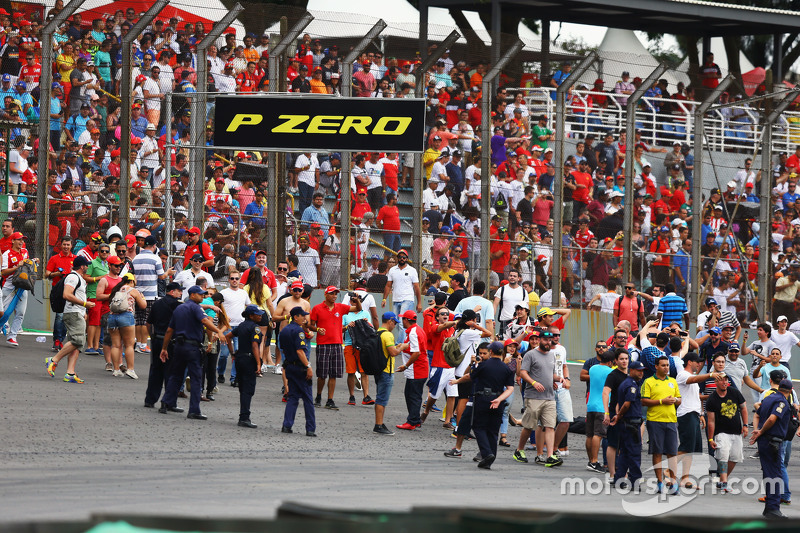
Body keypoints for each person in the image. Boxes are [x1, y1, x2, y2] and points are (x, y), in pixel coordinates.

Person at [157, 286, 227, 420]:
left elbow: (170, 330)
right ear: (192, 294)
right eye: (200, 294)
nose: (203, 296)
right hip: (192, 347)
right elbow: (205, 321)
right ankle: (194, 410)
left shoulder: (179, 308)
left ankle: (166, 402)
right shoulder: (196, 308)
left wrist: (164, 348)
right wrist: (218, 331)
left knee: (176, 375)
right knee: (196, 378)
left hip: (178, 346)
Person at [458, 340, 515, 469]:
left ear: (491, 352)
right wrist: (499, 399)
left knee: (479, 427)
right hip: (498, 399)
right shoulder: (507, 368)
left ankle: (487, 453)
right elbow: (510, 388)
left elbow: (471, 376)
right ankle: (490, 458)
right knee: (493, 431)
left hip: (483, 398)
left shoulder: (484, 365)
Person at [514, 331, 563, 467]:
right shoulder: (530, 354)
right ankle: (519, 450)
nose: (548, 342)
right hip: (533, 396)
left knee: (549, 426)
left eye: (550, 340)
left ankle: (550, 456)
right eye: (546, 340)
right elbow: (523, 372)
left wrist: (558, 379)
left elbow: (550, 373)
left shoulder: (552, 355)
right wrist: (534, 383)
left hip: (549, 396)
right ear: (540, 340)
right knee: (529, 426)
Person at [309, 285, 361, 410]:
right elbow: (310, 325)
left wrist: (357, 299)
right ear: (325, 295)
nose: (334, 296)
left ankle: (330, 399)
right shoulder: (317, 308)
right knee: (322, 374)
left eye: (336, 294)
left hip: (337, 344)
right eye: (332, 293)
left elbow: (358, 308)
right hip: (323, 344)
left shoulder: (340, 307)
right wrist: (317, 329)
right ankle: (318, 396)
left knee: (333, 374)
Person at [750, 379, 794, 519]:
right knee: (775, 474)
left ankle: (769, 507)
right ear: (791, 390)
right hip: (772, 441)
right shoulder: (782, 402)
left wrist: (757, 430)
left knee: (768, 473)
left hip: (764, 441)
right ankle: (773, 509)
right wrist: (761, 431)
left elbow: (757, 414)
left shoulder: (769, 398)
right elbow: (772, 419)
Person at [46, 256, 94, 383]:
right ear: (82, 266)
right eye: (86, 265)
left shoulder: (79, 278)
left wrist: (84, 311)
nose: (87, 267)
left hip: (78, 312)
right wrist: (84, 305)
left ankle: (70, 373)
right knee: (78, 340)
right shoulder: (73, 277)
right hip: (73, 313)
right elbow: (66, 294)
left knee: (77, 344)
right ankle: (53, 360)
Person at [641, 356, 682, 494]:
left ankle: (673, 481)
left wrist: (675, 400)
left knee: (672, 452)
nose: (666, 368)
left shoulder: (673, 381)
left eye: (667, 365)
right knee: (657, 452)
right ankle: (659, 482)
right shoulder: (649, 382)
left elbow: (679, 399)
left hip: (671, 420)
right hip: (655, 420)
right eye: (663, 365)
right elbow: (644, 401)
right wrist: (661, 401)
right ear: (656, 366)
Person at [222, 304, 265, 428]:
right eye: (258, 314)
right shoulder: (255, 328)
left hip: (240, 358)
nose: (260, 316)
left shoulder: (241, 326)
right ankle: (244, 417)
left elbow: (228, 336)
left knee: (242, 389)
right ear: (251, 316)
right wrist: (258, 363)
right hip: (249, 360)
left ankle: (244, 414)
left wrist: (232, 353)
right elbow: (254, 346)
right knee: (248, 389)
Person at [706, 373, 748, 493]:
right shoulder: (712, 399)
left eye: (726, 380)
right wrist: (710, 439)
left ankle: (722, 478)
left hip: (736, 431)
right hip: (721, 433)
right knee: (723, 457)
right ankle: (724, 482)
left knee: (735, 457)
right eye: (722, 380)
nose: (724, 382)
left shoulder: (734, 392)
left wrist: (745, 425)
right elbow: (711, 421)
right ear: (716, 382)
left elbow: (743, 408)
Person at [144, 282, 183, 407]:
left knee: (155, 370)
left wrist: (152, 336)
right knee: (171, 372)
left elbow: (148, 323)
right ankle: (169, 402)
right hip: (170, 341)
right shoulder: (177, 306)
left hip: (157, 339)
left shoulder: (157, 304)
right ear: (172, 292)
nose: (181, 293)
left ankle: (150, 400)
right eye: (179, 290)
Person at [280, 306, 317, 436]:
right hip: (300, 367)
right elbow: (300, 351)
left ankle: (287, 425)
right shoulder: (298, 331)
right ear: (296, 317)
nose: (304, 318)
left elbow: (283, 349)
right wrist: (308, 366)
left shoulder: (284, 331)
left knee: (293, 397)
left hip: (289, 365)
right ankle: (310, 428)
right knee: (307, 398)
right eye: (302, 315)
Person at [610, 360, 645, 489]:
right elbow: (627, 404)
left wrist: (619, 416)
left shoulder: (628, 383)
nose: (641, 373)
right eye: (639, 370)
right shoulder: (632, 385)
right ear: (632, 370)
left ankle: (619, 478)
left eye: (642, 370)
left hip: (626, 423)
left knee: (624, 452)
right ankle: (635, 481)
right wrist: (619, 416)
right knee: (635, 453)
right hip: (631, 423)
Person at [373, 312, 408, 435]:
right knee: (382, 399)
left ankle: (380, 423)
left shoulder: (378, 332)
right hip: (386, 370)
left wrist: (396, 347)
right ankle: (378, 425)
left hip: (378, 369)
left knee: (380, 397)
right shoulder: (388, 335)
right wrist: (402, 347)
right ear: (390, 321)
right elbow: (393, 353)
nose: (395, 326)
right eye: (395, 323)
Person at [106, 273, 146, 378]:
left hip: (112, 317)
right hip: (126, 316)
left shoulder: (116, 289)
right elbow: (143, 305)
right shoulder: (133, 291)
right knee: (129, 344)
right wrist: (143, 298)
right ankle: (130, 369)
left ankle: (116, 369)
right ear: (132, 281)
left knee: (115, 345)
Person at [396, 310, 428, 430]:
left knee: (412, 396)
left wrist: (406, 366)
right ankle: (414, 419)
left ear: (406, 320)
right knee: (412, 394)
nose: (401, 321)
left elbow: (417, 353)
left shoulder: (413, 332)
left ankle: (413, 421)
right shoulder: (416, 330)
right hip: (419, 369)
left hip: (417, 369)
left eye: (403, 319)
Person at [382, 249, 422, 342]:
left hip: (407, 299)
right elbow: (388, 285)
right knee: (395, 322)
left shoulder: (412, 270)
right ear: (397, 258)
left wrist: (419, 302)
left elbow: (416, 287)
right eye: (400, 257)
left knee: (402, 322)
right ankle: (406, 341)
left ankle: (399, 344)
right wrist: (384, 299)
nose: (402, 259)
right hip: (396, 299)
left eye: (404, 257)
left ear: (407, 259)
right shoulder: (392, 270)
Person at [342, 292, 373, 406]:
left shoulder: (365, 313)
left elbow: (370, 328)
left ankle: (366, 396)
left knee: (364, 371)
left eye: (358, 300)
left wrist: (366, 323)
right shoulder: (345, 315)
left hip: (362, 345)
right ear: (350, 302)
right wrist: (347, 326)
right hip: (350, 344)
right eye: (354, 300)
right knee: (351, 372)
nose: (355, 302)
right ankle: (351, 396)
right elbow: (340, 330)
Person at [585, 349, 613, 473]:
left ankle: (591, 460)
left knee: (590, 435)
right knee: (599, 435)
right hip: (602, 407)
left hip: (590, 405)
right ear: (611, 362)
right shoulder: (612, 372)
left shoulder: (592, 369)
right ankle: (595, 461)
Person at [1, 231, 30, 346]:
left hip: (22, 286)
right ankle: (3, 324)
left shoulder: (25, 252)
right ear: (13, 241)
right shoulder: (6, 254)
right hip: (8, 287)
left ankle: (12, 336)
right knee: (3, 313)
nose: (21, 242)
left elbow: (28, 266)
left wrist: (33, 262)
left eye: (22, 239)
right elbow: (3, 272)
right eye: (19, 239)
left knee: (21, 312)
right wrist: (16, 267)